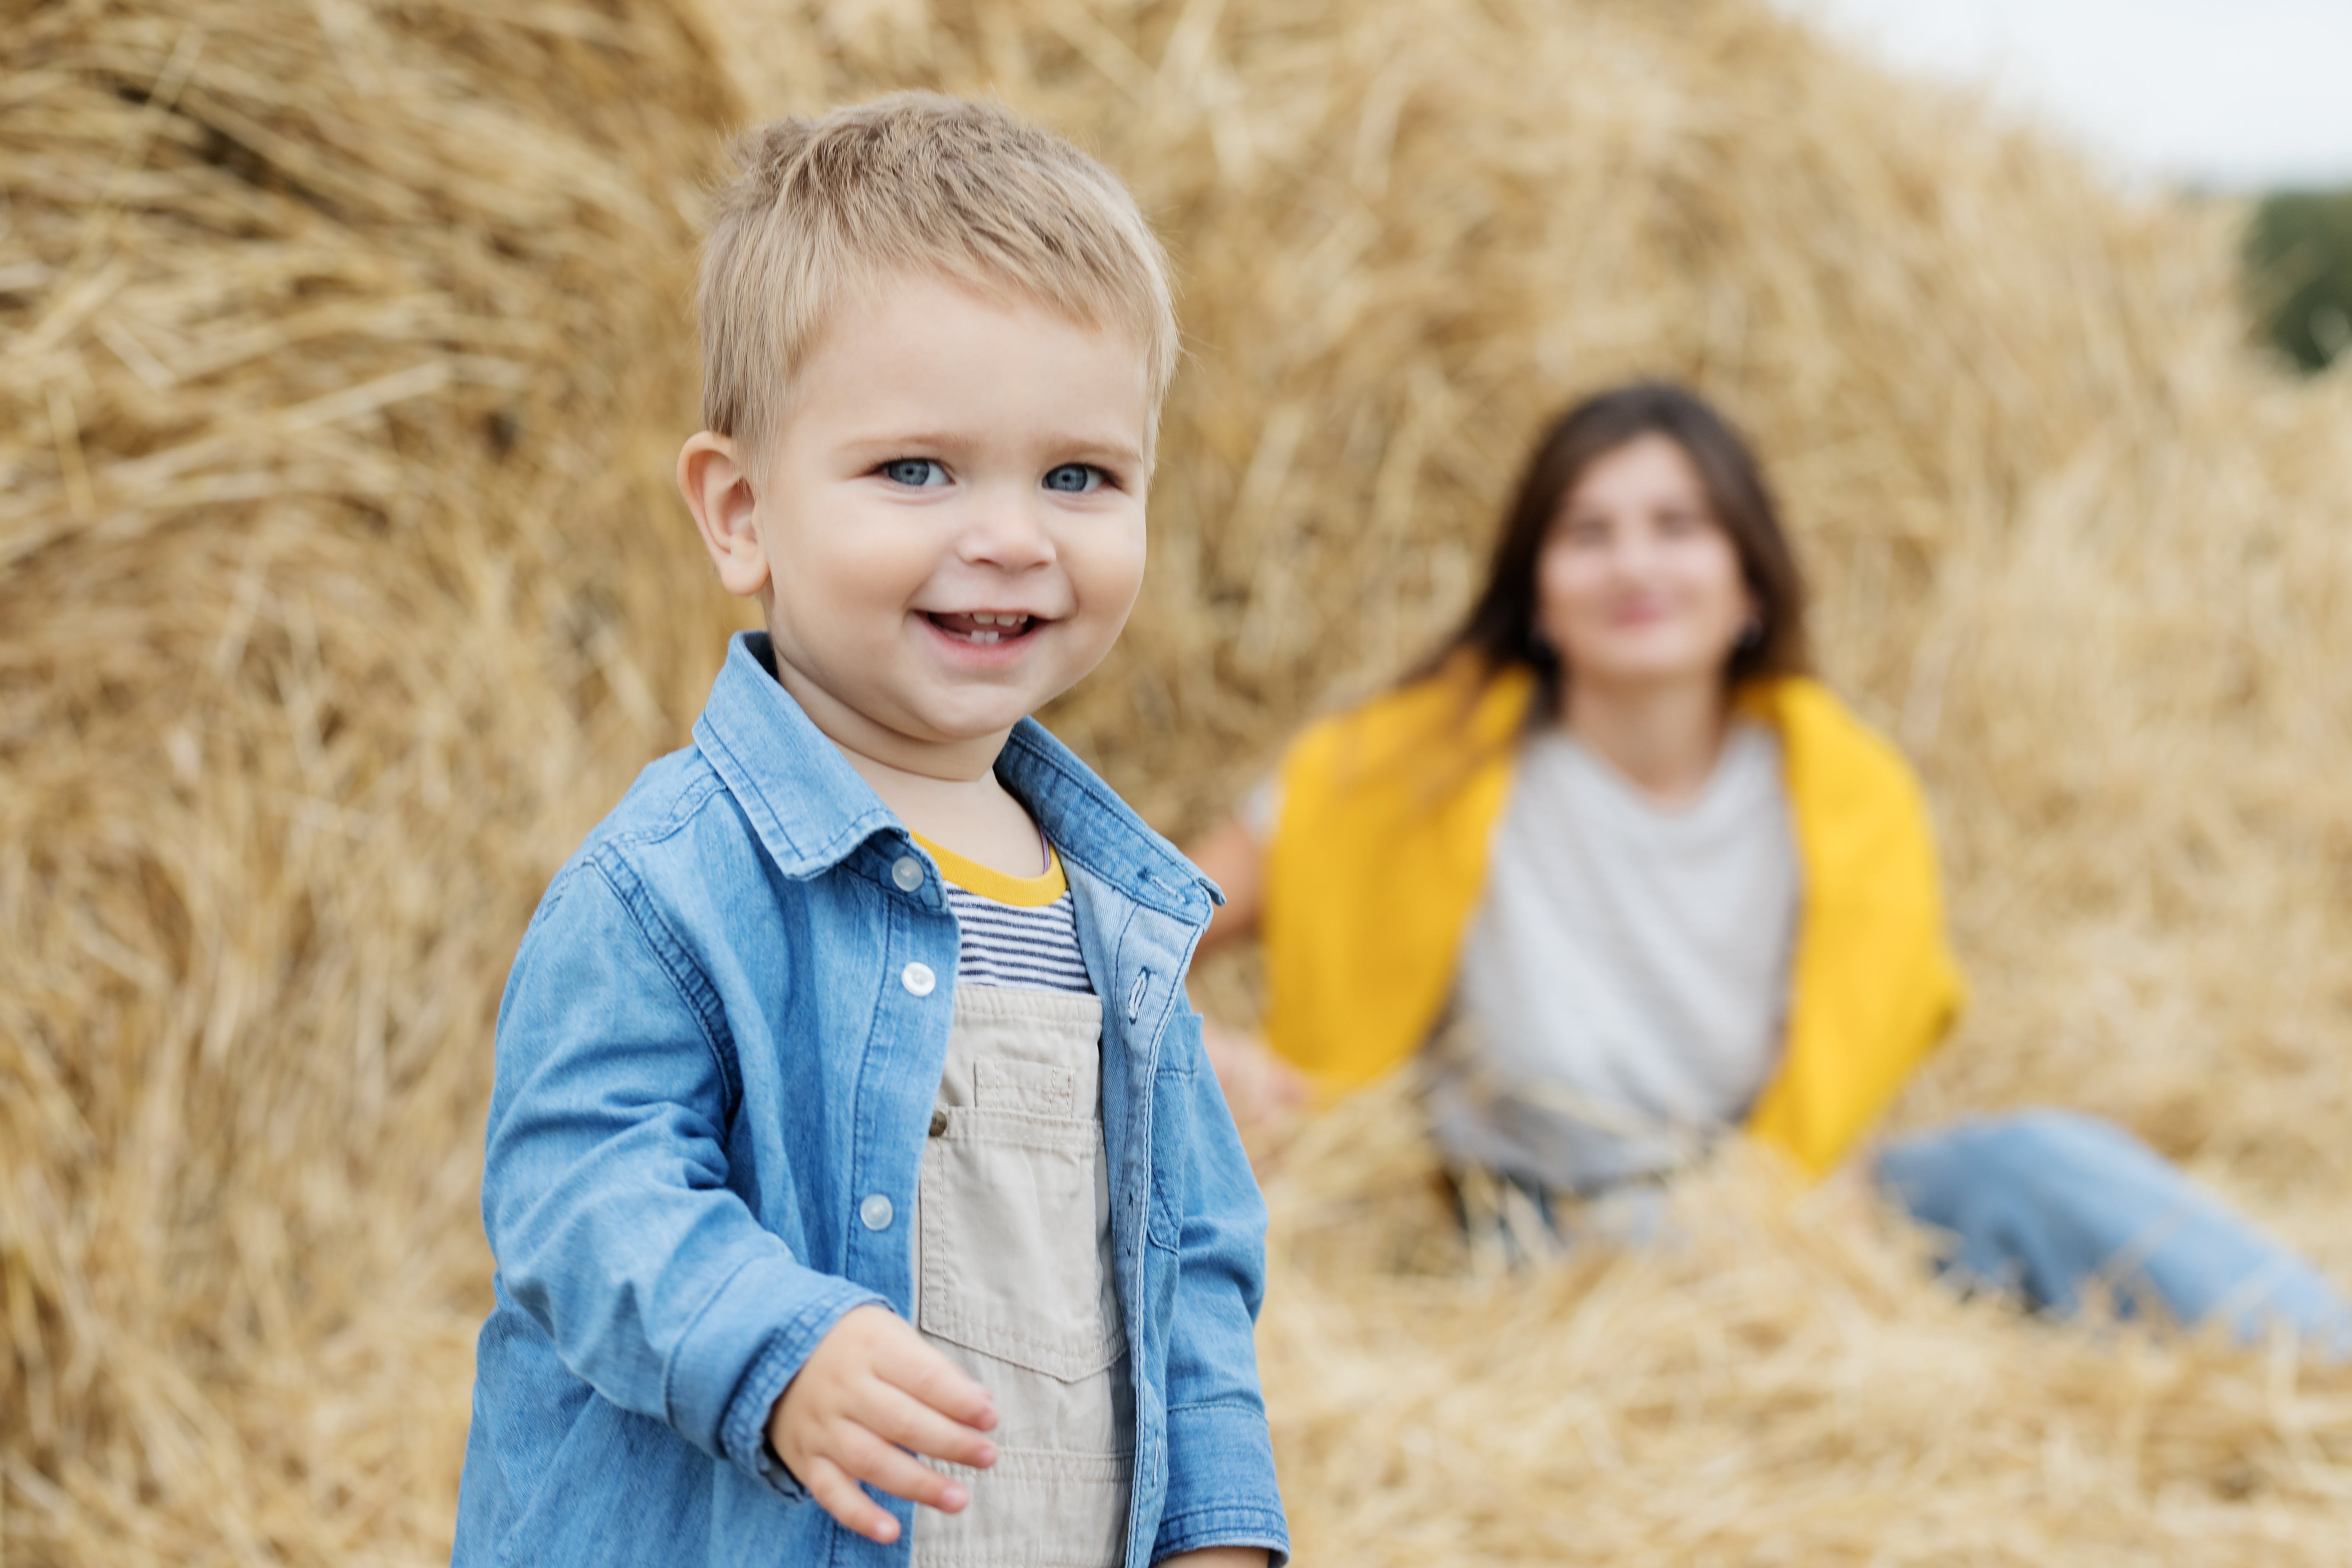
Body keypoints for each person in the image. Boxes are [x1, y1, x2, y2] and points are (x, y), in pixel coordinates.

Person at [452, 96, 1286, 1568]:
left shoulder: (1121, 921)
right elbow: (578, 1187)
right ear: (739, 513)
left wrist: (1217, 1530)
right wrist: (774, 1347)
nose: (1014, 535)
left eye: (1079, 475)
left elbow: (1191, 1273)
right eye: (918, 470)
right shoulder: (672, 885)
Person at [1191, 381, 2350, 1350]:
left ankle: (2323, 1361)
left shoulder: (1845, 790)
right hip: (1547, 1235)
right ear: (1535, 592)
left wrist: (1795, 1214)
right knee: (1666, 1246)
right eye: (1587, 533)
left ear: (1746, 579)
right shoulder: (1398, 771)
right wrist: (1217, 1060)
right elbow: (1149, 924)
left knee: (2039, 1160)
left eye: (1677, 526)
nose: (1631, 563)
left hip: (1796, 1202)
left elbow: (1849, 1063)